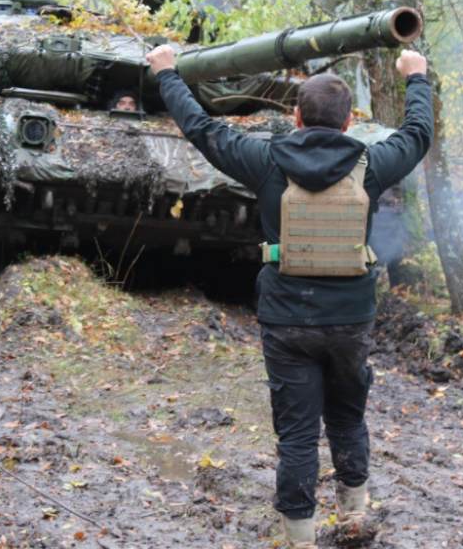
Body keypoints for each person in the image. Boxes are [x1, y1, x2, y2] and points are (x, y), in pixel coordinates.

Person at [146, 45, 432, 548]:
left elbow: (201, 128)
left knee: (298, 434)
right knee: (347, 417)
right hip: (351, 319)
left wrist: (167, 72)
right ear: (348, 124)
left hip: (287, 320)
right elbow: (418, 134)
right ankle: (353, 516)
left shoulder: (266, 160)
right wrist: (417, 76)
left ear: (296, 116)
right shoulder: (372, 163)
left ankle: (299, 538)